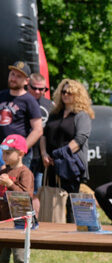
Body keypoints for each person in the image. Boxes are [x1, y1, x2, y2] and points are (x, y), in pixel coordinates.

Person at [40, 79, 93, 223]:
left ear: (77, 95)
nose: (66, 95)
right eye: (63, 91)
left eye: (70, 92)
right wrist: (44, 153)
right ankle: (51, 229)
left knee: (70, 201)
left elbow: (80, 139)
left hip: (71, 164)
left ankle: (71, 234)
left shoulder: (82, 115)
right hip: (50, 162)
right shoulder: (54, 113)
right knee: (52, 197)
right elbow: (43, 136)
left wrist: (60, 154)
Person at [0, 135, 34, 263]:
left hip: (19, 224)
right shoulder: (3, 171)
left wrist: (10, 184)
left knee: (20, 259)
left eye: (8, 152)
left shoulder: (25, 173)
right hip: (3, 222)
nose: (4, 156)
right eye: (3, 152)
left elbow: (25, 196)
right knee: (1, 260)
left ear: (20, 153)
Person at [0, 61, 42, 168]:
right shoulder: (2, 95)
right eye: (12, 74)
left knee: (15, 184)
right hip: (1, 150)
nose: (13, 78)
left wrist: (20, 150)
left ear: (26, 81)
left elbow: (38, 130)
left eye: (18, 76)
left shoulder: (29, 100)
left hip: (17, 154)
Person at [27, 73, 53, 217]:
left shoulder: (50, 106)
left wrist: (47, 153)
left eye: (42, 89)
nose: (38, 92)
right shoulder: (22, 100)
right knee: (19, 190)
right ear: (27, 86)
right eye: (34, 88)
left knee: (36, 191)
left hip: (40, 157)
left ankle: (35, 221)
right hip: (21, 154)